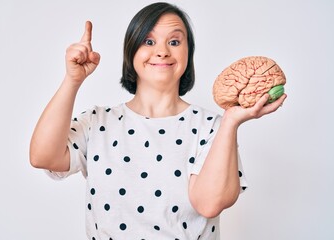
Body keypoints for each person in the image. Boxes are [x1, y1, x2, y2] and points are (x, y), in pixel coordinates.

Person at [29, 2, 286, 239]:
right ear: (131, 52)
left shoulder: (212, 127)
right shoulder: (98, 122)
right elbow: (43, 157)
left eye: (174, 42)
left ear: (188, 54)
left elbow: (209, 204)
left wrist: (230, 123)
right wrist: (73, 80)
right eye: (149, 41)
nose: (162, 51)